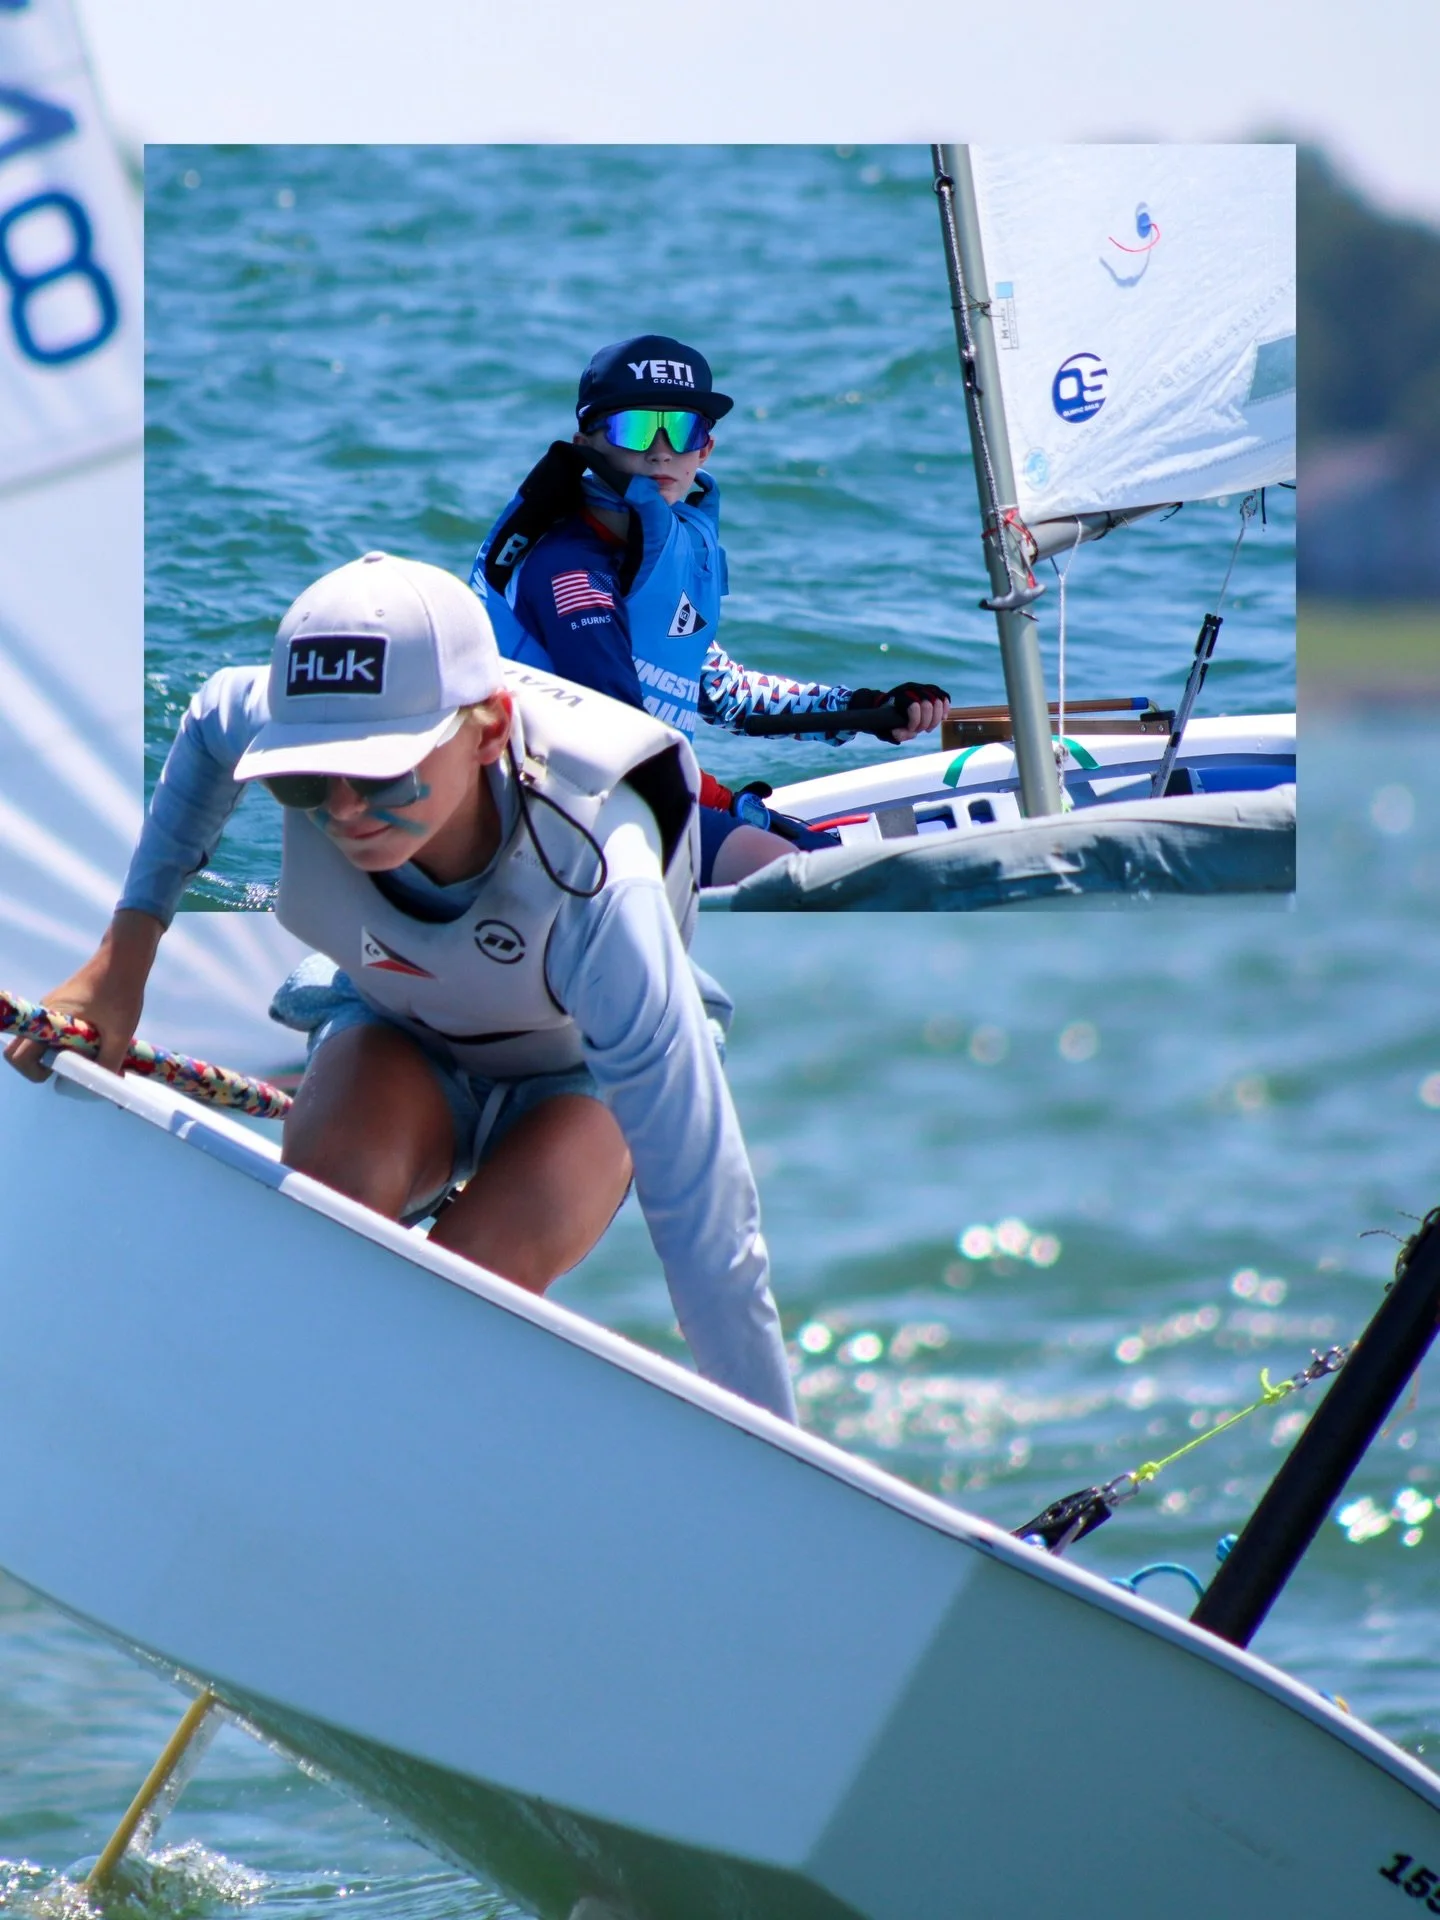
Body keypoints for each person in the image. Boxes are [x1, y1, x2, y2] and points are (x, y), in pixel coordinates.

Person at [3, 551, 797, 1424]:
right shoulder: (284, 716)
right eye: (307, 775)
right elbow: (205, 721)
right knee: (325, 1234)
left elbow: (710, 1228)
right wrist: (124, 964)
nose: (343, 809)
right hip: (398, 1030)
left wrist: (781, 1457)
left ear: (490, 730)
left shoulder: (607, 886)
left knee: (458, 1293)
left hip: (581, 1084)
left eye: (383, 772)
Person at [470, 333, 951, 887]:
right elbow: (614, 734)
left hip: (646, 797)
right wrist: (722, 800)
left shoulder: (656, 554)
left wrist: (867, 709)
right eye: (632, 429)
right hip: (560, 816)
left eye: (682, 429)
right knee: (816, 876)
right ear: (587, 443)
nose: (660, 451)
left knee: (834, 860)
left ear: (706, 449)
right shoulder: (571, 569)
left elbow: (724, 694)